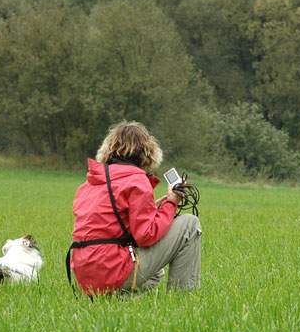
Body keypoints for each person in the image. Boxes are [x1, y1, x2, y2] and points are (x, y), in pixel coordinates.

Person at [69, 121, 201, 296]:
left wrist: (155, 209)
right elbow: (146, 236)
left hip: (84, 275)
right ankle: (184, 300)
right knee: (189, 224)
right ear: (147, 151)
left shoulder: (89, 183)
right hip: (110, 272)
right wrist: (171, 203)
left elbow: (109, 224)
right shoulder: (137, 180)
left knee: (155, 274)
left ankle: (118, 302)